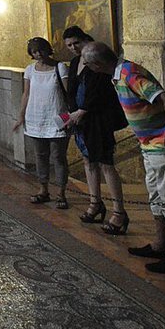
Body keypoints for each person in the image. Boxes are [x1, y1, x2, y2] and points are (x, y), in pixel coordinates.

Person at [82, 42, 165, 275]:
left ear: (97, 64)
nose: (86, 67)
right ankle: (160, 244)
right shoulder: (118, 74)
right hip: (151, 146)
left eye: (87, 63)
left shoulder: (129, 75)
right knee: (156, 195)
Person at [62, 27, 130, 234]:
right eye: (69, 45)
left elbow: (101, 93)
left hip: (98, 120)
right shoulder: (75, 63)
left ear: (85, 40)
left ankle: (119, 211)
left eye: (76, 43)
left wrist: (83, 111)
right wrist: (71, 113)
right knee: (88, 161)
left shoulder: (97, 61)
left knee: (106, 164)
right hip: (80, 121)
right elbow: (72, 90)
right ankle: (95, 203)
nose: (73, 48)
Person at [12, 38, 70, 208]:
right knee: (41, 156)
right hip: (36, 118)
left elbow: (68, 93)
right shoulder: (30, 70)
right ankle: (43, 189)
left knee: (58, 156)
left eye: (40, 50)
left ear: (47, 49)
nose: (38, 54)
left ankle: (61, 192)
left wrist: (69, 117)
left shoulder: (60, 68)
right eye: (34, 52)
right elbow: (26, 94)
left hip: (57, 118)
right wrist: (21, 116)